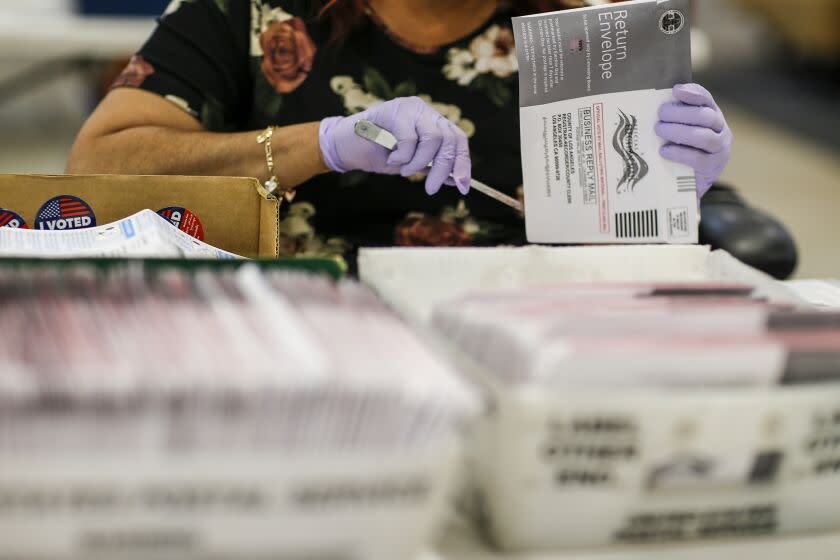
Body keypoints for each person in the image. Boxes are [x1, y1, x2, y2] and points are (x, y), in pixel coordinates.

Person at [67, 0, 787, 274]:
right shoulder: (246, 11)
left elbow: (618, 272)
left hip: (513, 345)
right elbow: (97, 168)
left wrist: (679, 181)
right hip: (299, 332)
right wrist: (318, 144)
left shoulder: (586, 35)